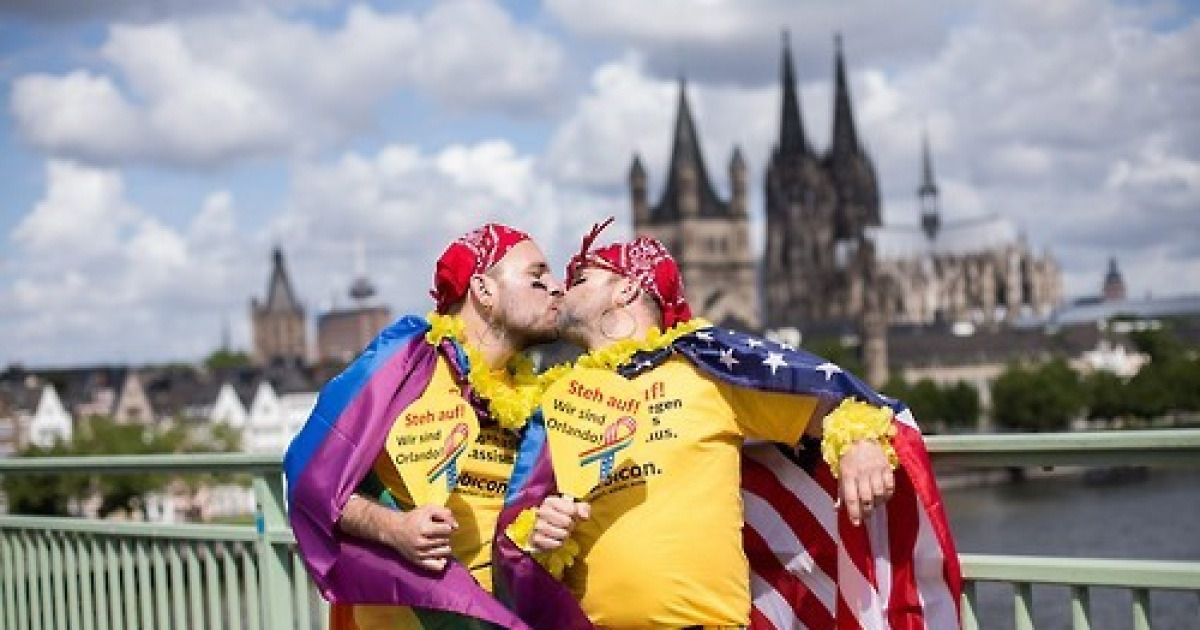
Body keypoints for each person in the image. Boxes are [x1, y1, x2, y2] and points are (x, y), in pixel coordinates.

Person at [494, 220, 962, 629]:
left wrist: (859, 439)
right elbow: (522, 522)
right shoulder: (558, 398)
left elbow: (833, 402)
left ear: (625, 289)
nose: (559, 288)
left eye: (581, 277)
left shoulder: (708, 371)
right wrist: (540, 531)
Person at [284, 223, 563, 629]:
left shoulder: (529, 394)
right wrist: (395, 528)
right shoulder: (406, 364)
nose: (557, 287)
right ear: (483, 291)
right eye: (536, 276)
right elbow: (311, 478)